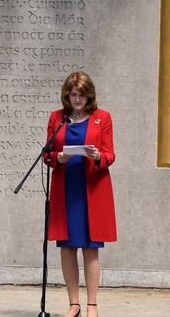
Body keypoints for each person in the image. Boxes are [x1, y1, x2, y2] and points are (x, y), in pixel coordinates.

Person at [44, 71, 116, 317]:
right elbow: (47, 154)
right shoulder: (57, 118)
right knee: (66, 247)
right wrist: (58, 157)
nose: (77, 99)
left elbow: (110, 154)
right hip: (66, 189)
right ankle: (73, 303)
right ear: (67, 95)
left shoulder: (102, 118)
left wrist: (98, 157)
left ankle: (92, 305)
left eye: (82, 95)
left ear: (89, 96)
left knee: (89, 247)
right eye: (73, 94)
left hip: (91, 190)